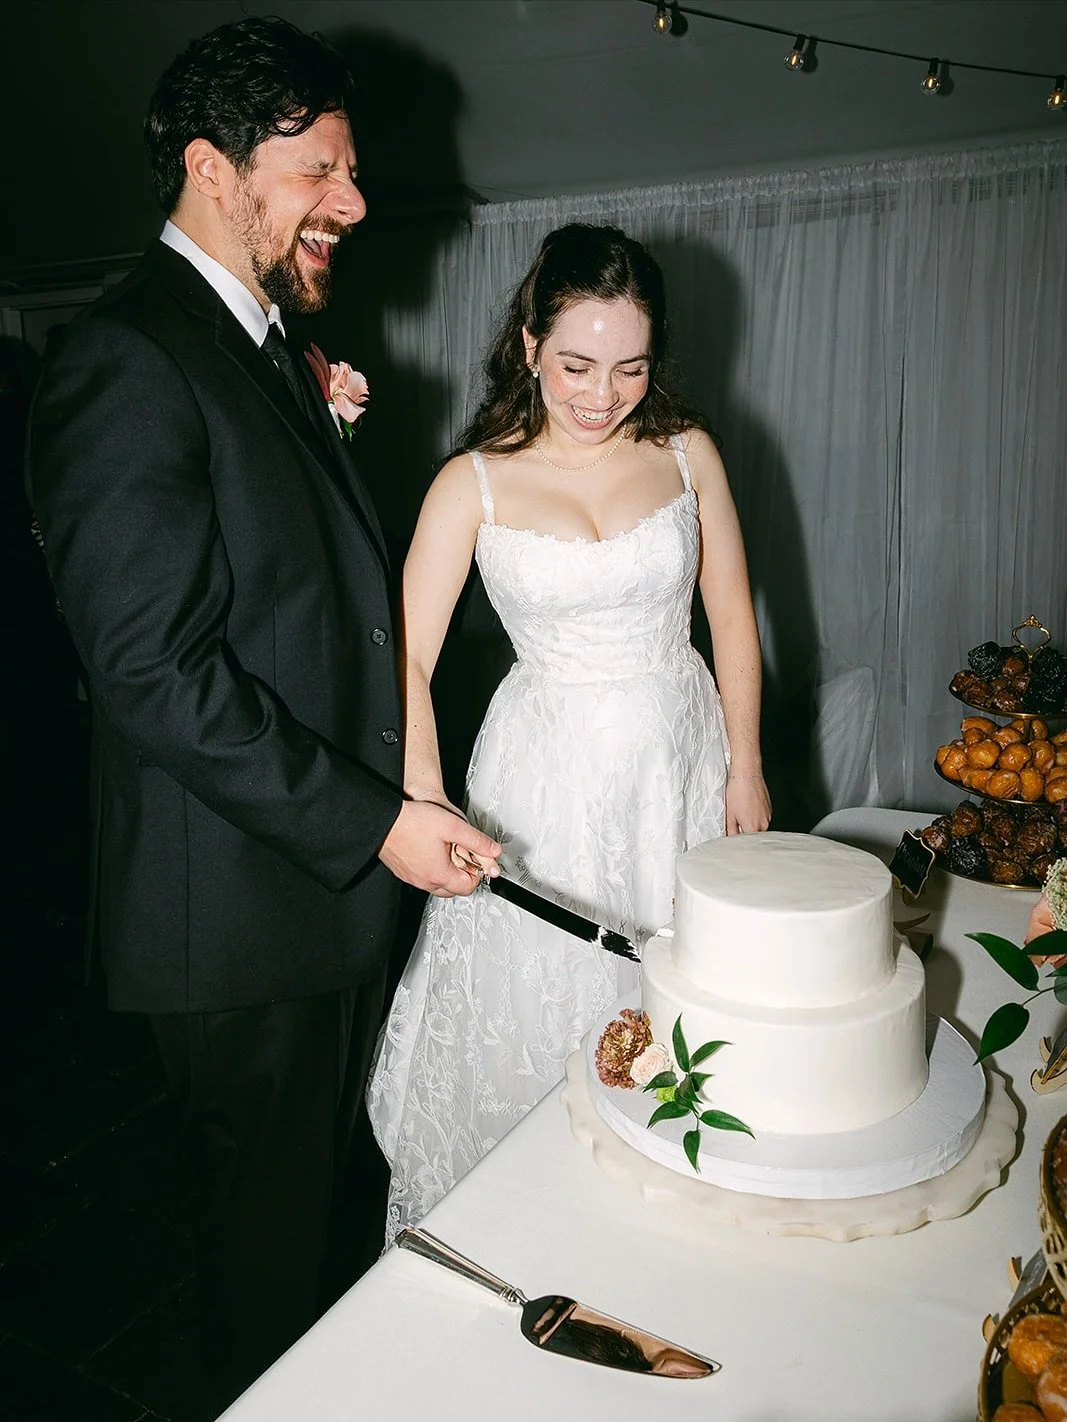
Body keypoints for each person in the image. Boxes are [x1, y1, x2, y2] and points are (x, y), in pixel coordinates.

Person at [25, 17, 498, 1409]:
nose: (353, 201)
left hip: (307, 890)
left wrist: (397, 804)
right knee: (263, 1280)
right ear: (212, 167)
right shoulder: (125, 357)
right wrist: (375, 825)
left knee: (313, 1246)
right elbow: (153, 672)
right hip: (233, 922)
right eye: (320, 168)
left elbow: (319, 616)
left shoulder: (267, 345)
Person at [367, 223, 771, 1244]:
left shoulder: (688, 455)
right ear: (528, 343)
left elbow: (729, 617)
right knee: (545, 1017)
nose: (601, 393)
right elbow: (404, 658)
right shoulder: (473, 482)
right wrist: (424, 796)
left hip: (678, 763)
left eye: (629, 367)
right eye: (577, 364)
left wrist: (748, 766)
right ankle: (542, 1244)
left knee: (689, 1020)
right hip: (539, 783)